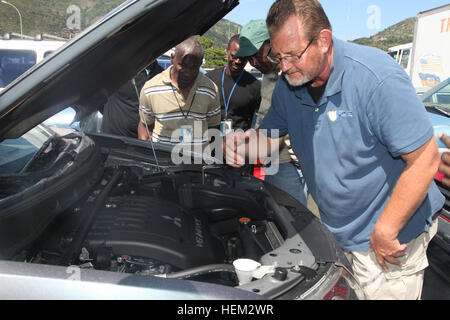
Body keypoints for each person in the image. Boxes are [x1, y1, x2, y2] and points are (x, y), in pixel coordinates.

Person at [224, 0, 444, 300]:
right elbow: (269, 138)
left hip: (388, 242)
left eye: (292, 55)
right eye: (278, 57)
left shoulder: (375, 78)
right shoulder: (290, 85)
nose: (284, 66)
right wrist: (243, 147)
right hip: (336, 234)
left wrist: (386, 230)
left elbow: (424, 160)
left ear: (324, 40)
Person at [234, 19, 308, 207]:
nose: (254, 62)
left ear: (272, 43)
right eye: (250, 58)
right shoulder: (267, 77)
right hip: (281, 160)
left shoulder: (294, 72)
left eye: (257, 55)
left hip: (306, 160)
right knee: (291, 214)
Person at [138, 37, 221, 145]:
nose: (188, 72)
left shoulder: (211, 89)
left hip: (198, 160)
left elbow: (213, 127)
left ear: (201, 64)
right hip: (162, 160)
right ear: (172, 58)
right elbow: (145, 126)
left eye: (194, 67)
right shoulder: (151, 89)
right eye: (183, 65)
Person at [206, 35, 261, 133]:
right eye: (234, 56)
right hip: (212, 142)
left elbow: (257, 117)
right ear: (227, 51)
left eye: (243, 58)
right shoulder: (209, 79)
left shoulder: (254, 85)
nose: (238, 61)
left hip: (240, 143)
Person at [101, 61, 163, 138]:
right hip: (112, 139)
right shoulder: (118, 70)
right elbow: (97, 95)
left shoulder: (161, 75)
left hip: (143, 141)